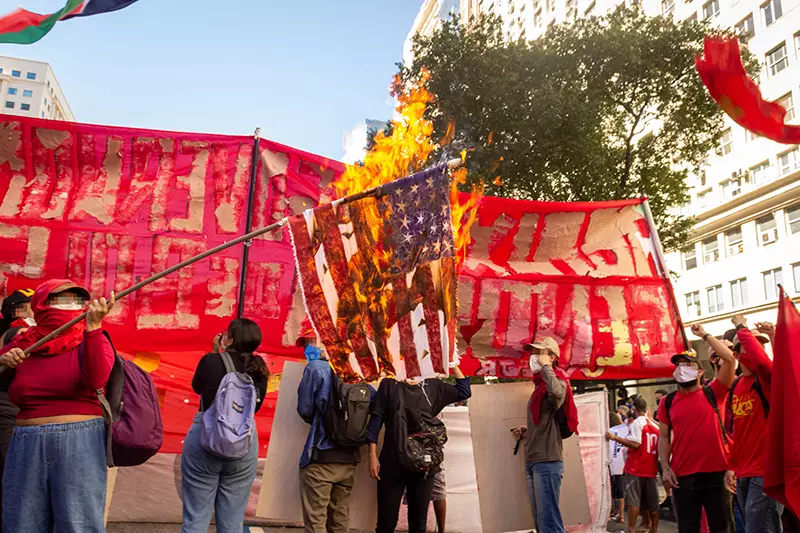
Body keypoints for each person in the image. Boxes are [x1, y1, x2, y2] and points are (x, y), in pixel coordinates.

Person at [0, 279, 115, 533]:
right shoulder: (25, 342)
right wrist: (6, 360)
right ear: (41, 305)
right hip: (25, 442)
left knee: (78, 524)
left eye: (75, 300)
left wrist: (94, 327)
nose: (68, 307)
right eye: (59, 300)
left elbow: (97, 379)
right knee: (21, 523)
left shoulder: (93, 338)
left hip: (80, 441)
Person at [181, 318, 269, 533]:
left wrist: (214, 354)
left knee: (195, 518)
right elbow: (254, 409)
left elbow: (197, 387)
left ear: (229, 339)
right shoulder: (260, 368)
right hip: (243, 441)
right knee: (232, 522)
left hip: (206, 435)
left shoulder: (211, 361)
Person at [368, 365, 471, 533]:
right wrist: (372, 455)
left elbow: (464, 391)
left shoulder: (433, 386)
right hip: (392, 462)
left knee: (419, 524)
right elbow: (375, 421)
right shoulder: (389, 384)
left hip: (424, 464)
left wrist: (452, 363)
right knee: (386, 523)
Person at [658, 325, 736, 533]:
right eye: (679, 365)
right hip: (683, 476)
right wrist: (665, 467)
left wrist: (704, 335)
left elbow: (729, 359)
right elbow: (663, 437)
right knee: (688, 528)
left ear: (701, 371)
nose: (682, 368)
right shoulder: (667, 402)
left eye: (688, 364)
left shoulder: (715, 392)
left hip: (717, 472)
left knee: (722, 527)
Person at [296, 339, 368, 533]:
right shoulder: (359, 370)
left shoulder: (316, 368)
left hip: (321, 455)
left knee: (316, 521)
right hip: (349, 458)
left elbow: (305, 409)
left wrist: (326, 422)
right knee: (340, 519)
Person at [512, 336, 579, 533]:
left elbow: (558, 393)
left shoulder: (556, 380)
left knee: (549, 524)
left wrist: (546, 367)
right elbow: (544, 418)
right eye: (533, 352)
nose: (534, 356)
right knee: (541, 523)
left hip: (547, 460)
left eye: (539, 353)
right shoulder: (540, 387)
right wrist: (528, 429)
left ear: (552, 357)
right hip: (534, 458)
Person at [727, 315, 784, 533]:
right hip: (744, 471)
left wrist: (742, 326)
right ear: (737, 354)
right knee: (754, 525)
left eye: (761, 345)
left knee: (760, 527)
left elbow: (767, 362)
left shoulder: (767, 379)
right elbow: (738, 433)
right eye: (752, 344)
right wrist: (732, 467)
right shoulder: (738, 385)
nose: (758, 349)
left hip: (766, 471)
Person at [608, 397, 660, 533]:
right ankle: (653, 527)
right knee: (651, 502)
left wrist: (616, 438)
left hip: (636, 467)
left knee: (634, 501)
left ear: (634, 409)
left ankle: (631, 528)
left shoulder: (637, 423)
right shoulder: (654, 425)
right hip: (651, 467)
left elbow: (635, 443)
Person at [608, 412, 630, 524]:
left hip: (611, 463)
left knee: (610, 488)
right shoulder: (625, 430)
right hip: (622, 463)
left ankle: (611, 512)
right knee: (621, 490)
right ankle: (621, 515)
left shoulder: (609, 431)